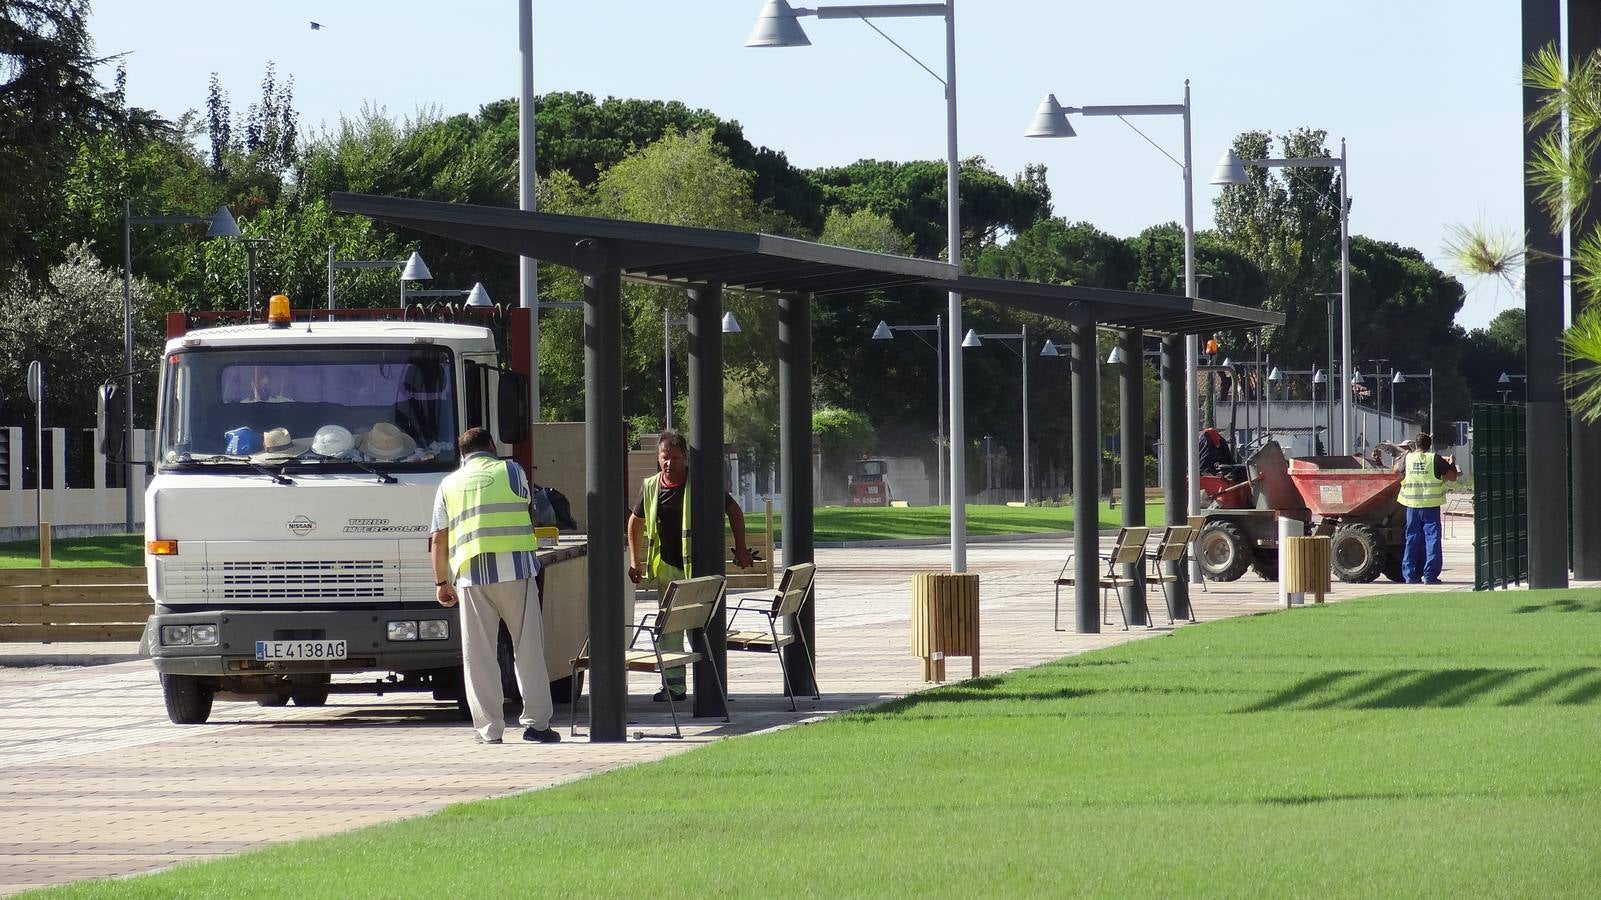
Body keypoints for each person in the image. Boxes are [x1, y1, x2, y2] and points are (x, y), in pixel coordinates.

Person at [430, 427, 559, 745]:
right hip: (515, 571)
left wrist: (441, 583)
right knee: (527, 648)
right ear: (491, 446)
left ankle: (489, 729)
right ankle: (537, 726)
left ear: (462, 454)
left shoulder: (448, 484)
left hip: (471, 576)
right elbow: (529, 506)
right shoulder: (513, 471)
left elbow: (438, 538)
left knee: (479, 654)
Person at [627, 431, 753, 702]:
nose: (669, 463)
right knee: (669, 630)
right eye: (664, 458)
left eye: (674, 458)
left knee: (703, 628)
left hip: (699, 569)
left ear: (684, 457)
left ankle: (712, 684)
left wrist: (741, 549)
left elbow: (734, 510)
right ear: (658, 459)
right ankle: (674, 687)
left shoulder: (701, 483)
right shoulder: (651, 486)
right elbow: (635, 522)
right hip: (669, 569)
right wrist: (634, 561)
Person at [1393, 431, 1459, 585]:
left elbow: (1396, 470)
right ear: (1429, 446)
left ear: (1415, 445)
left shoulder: (1407, 458)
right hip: (1430, 506)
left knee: (1412, 539)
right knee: (1432, 540)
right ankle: (1430, 576)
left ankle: (1410, 576)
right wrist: (1451, 463)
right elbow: (1452, 476)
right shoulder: (1434, 458)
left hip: (1412, 506)